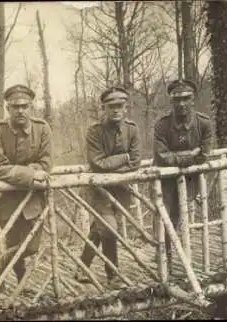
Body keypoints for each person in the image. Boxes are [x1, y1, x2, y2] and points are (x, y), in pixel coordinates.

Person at [0, 84, 52, 290]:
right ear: (8, 108)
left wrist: (25, 171)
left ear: (31, 107)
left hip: (33, 198)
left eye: (24, 106)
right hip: (6, 199)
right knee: (12, 240)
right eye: (15, 107)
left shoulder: (42, 128)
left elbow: (46, 164)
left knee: (31, 246)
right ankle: (19, 282)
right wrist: (31, 173)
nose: (20, 110)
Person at [74, 86, 141, 289]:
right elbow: (97, 164)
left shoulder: (132, 128)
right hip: (99, 191)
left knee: (100, 228)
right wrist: (124, 158)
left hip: (121, 189)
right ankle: (113, 276)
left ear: (126, 107)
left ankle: (81, 267)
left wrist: (119, 164)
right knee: (110, 229)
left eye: (120, 106)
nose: (116, 110)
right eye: (111, 106)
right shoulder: (94, 131)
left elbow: (136, 162)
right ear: (103, 108)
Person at [152, 79, 212, 276]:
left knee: (178, 218)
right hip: (165, 180)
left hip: (189, 178)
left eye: (186, 98)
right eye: (177, 99)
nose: (182, 104)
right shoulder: (162, 126)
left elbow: (203, 155)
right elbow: (162, 156)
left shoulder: (203, 123)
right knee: (164, 218)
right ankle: (164, 259)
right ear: (172, 101)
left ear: (193, 100)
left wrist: (185, 157)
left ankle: (185, 259)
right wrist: (190, 154)